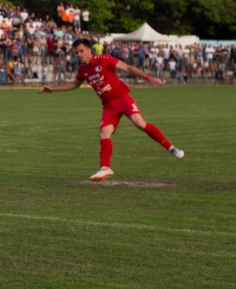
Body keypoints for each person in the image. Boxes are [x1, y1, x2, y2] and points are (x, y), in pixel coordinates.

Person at [39, 39, 184, 182]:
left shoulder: (104, 59)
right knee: (104, 132)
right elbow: (75, 84)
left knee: (139, 123)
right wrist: (53, 89)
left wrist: (148, 77)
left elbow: (128, 68)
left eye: (82, 51)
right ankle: (105, 168)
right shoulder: (82, 69)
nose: (79, 54)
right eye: (76, 52)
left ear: (90, 50)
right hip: (108, 105)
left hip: (122, 98)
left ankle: (171, 148)